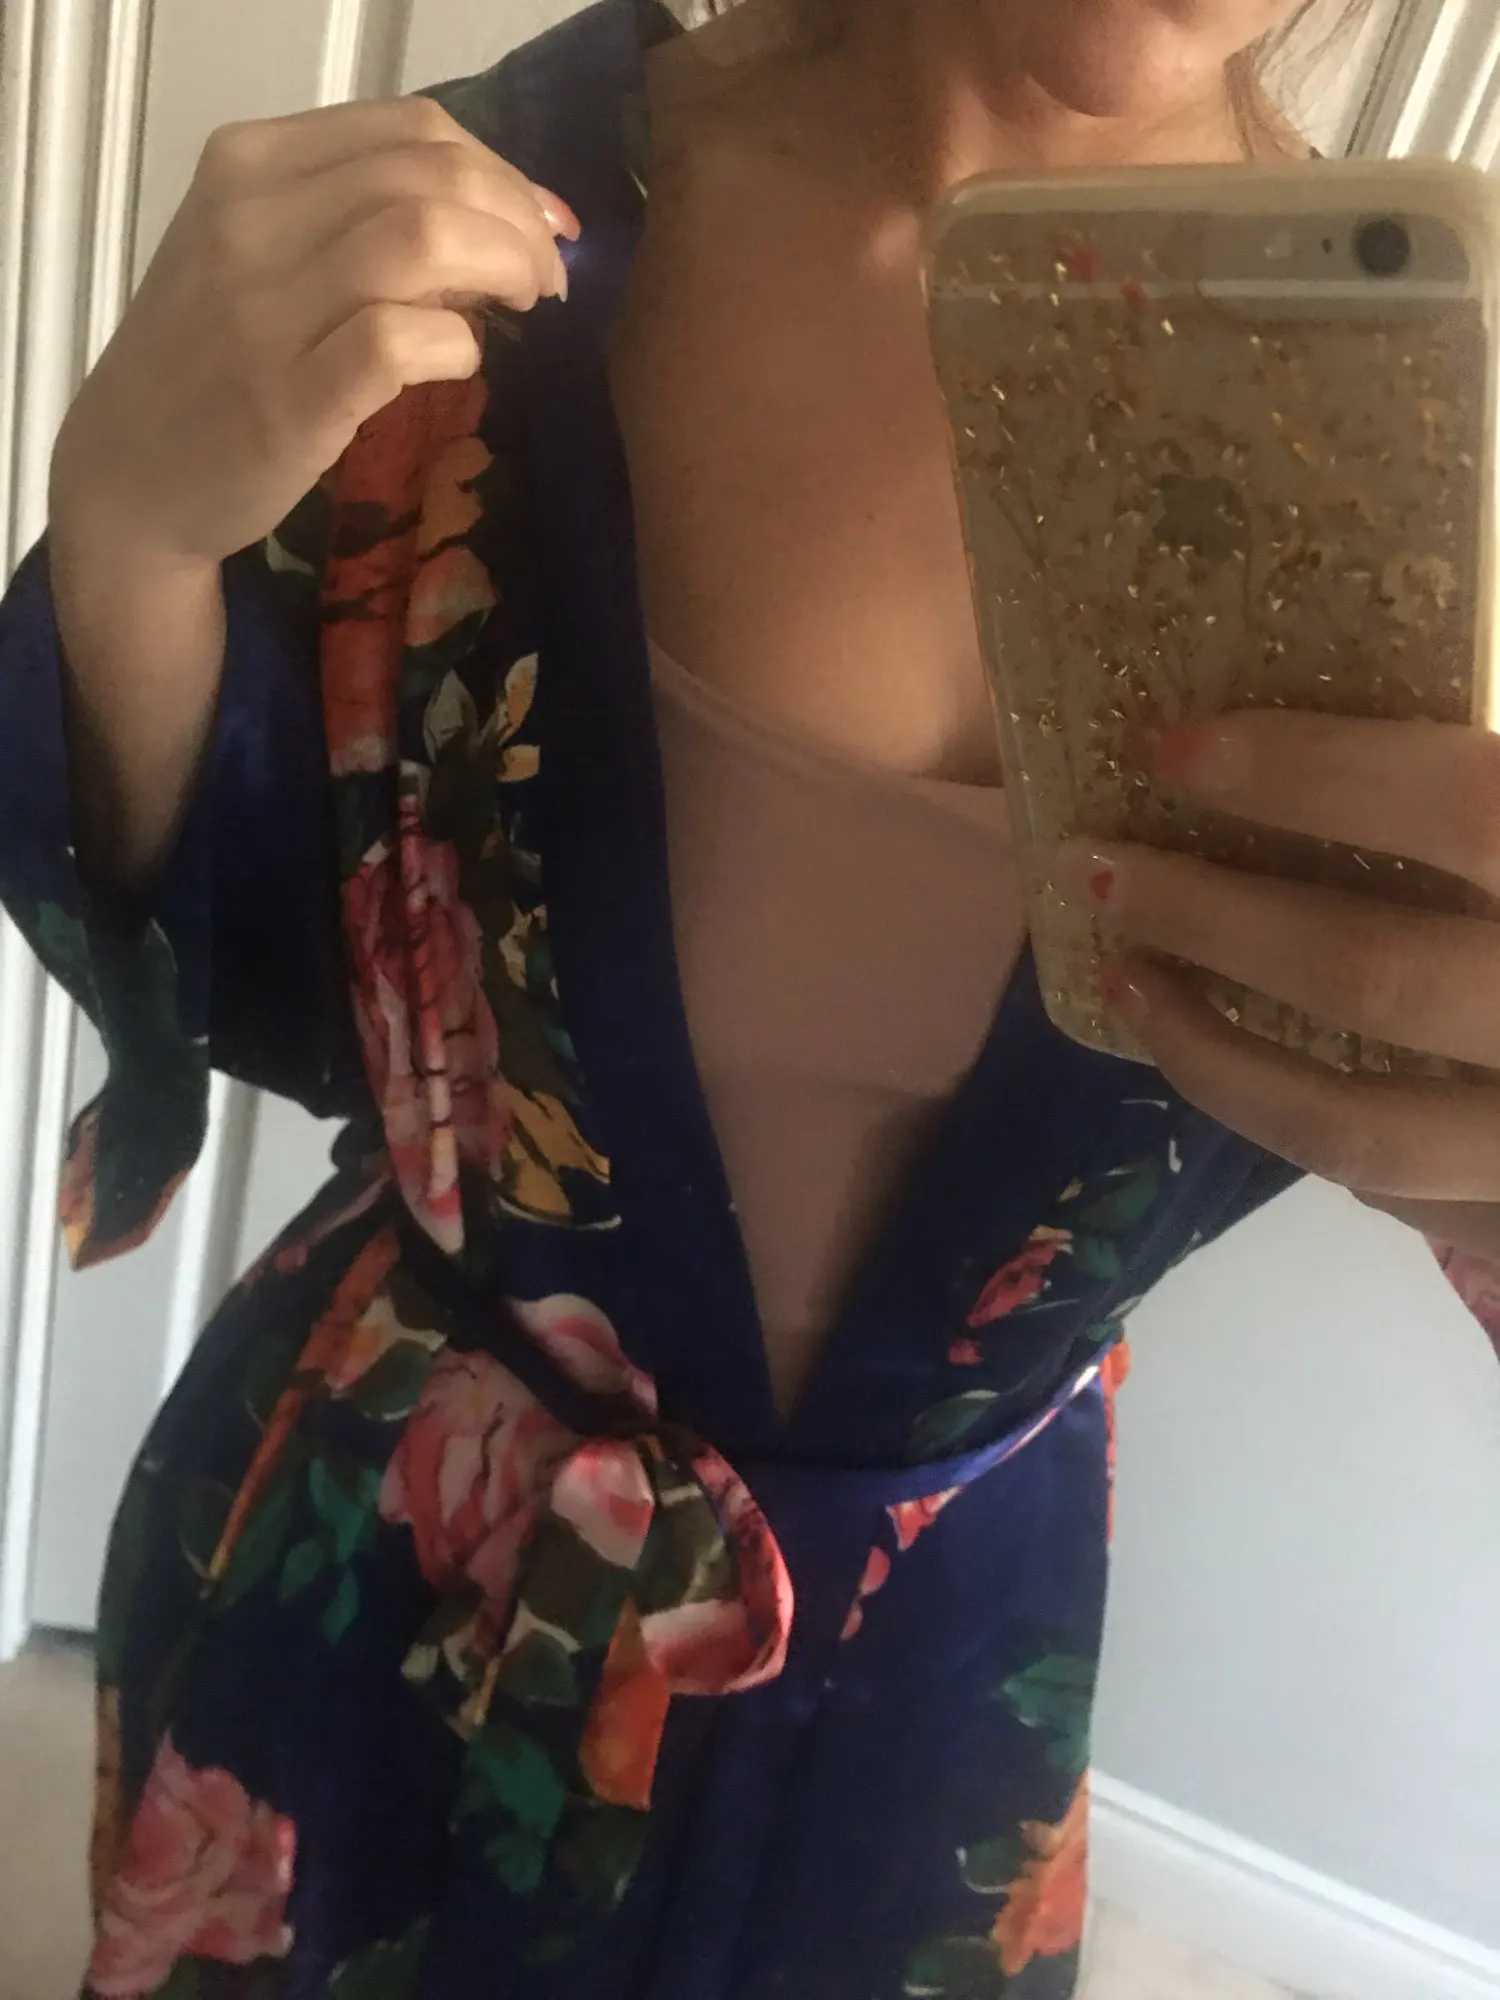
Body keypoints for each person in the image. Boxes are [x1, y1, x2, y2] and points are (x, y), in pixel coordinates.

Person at [0, 0, 1495, 1994]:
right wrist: (124, 541)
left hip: (915, 1715)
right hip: (378, 1603)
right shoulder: (474, 247)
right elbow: (265, 955)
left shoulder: (1454, 470)